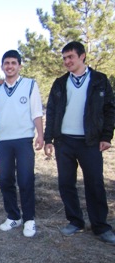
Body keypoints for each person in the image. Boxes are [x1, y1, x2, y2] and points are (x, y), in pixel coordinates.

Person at [44, 41, 115, 245]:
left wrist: (106, 137)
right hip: (64, 141)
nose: (67, 61)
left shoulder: (99, 80)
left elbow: (110, 109)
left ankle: (100, 226)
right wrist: (49, 139)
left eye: (70, 57)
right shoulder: (59, 83)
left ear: (82, 56)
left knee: (95, 183)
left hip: (90, 142)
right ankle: (75, 221)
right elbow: (51, 111)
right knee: (66, 183)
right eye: (64, 58)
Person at [0, 50, 44, 238]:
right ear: (2, 67)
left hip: (23, 140)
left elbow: (36, 112)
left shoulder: (30, 85)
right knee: (6, 180)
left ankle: (29, 219)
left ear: (19, 66)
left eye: (14, 63)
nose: (10, 66)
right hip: (4, 141)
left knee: (26, 179)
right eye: (6, 63)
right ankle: (14, 216)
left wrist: (40, 135)